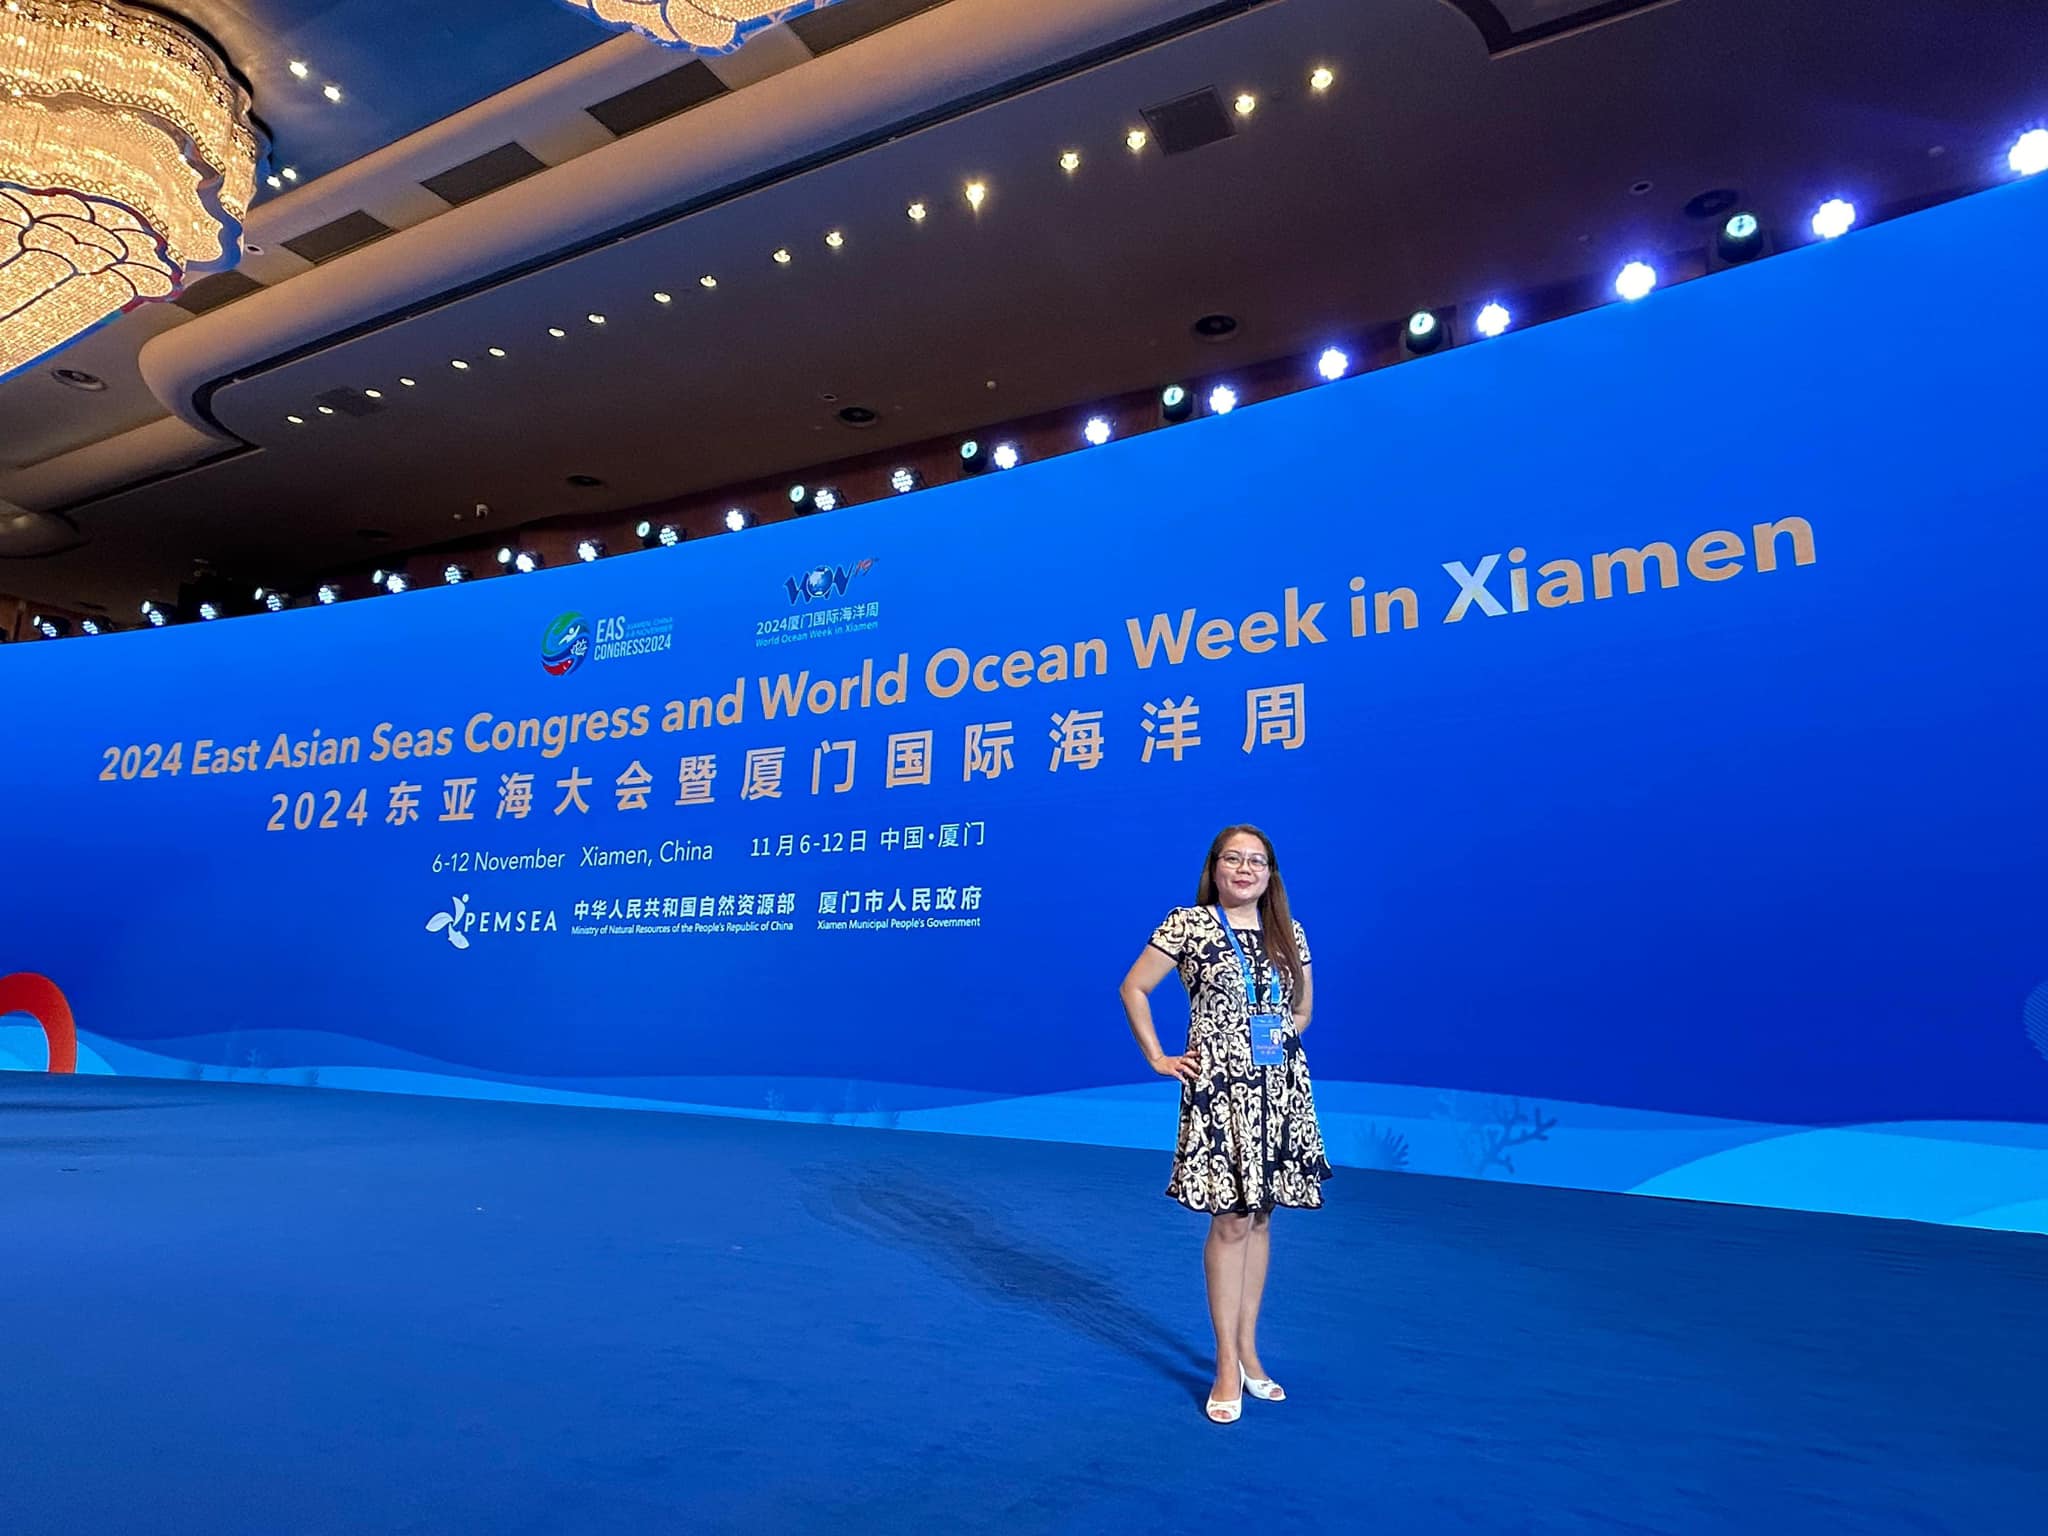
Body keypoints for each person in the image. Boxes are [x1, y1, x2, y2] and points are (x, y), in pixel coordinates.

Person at [1117, 824, 1332, 1424]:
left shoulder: (1289, 931)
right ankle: (1224, 1364)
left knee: (1261, 1217)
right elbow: (1134, 987)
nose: (1244, 869)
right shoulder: (1188, 924)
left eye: (1256, 861)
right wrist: (1158, 1056)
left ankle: (1249, 1351)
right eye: (1233, 858)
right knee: (1232, 1220)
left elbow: (1303, 1009)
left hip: (1280, 1090)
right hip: (1220, 1091)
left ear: (1271, 874)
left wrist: (1274, 1041)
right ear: (1214, 867)